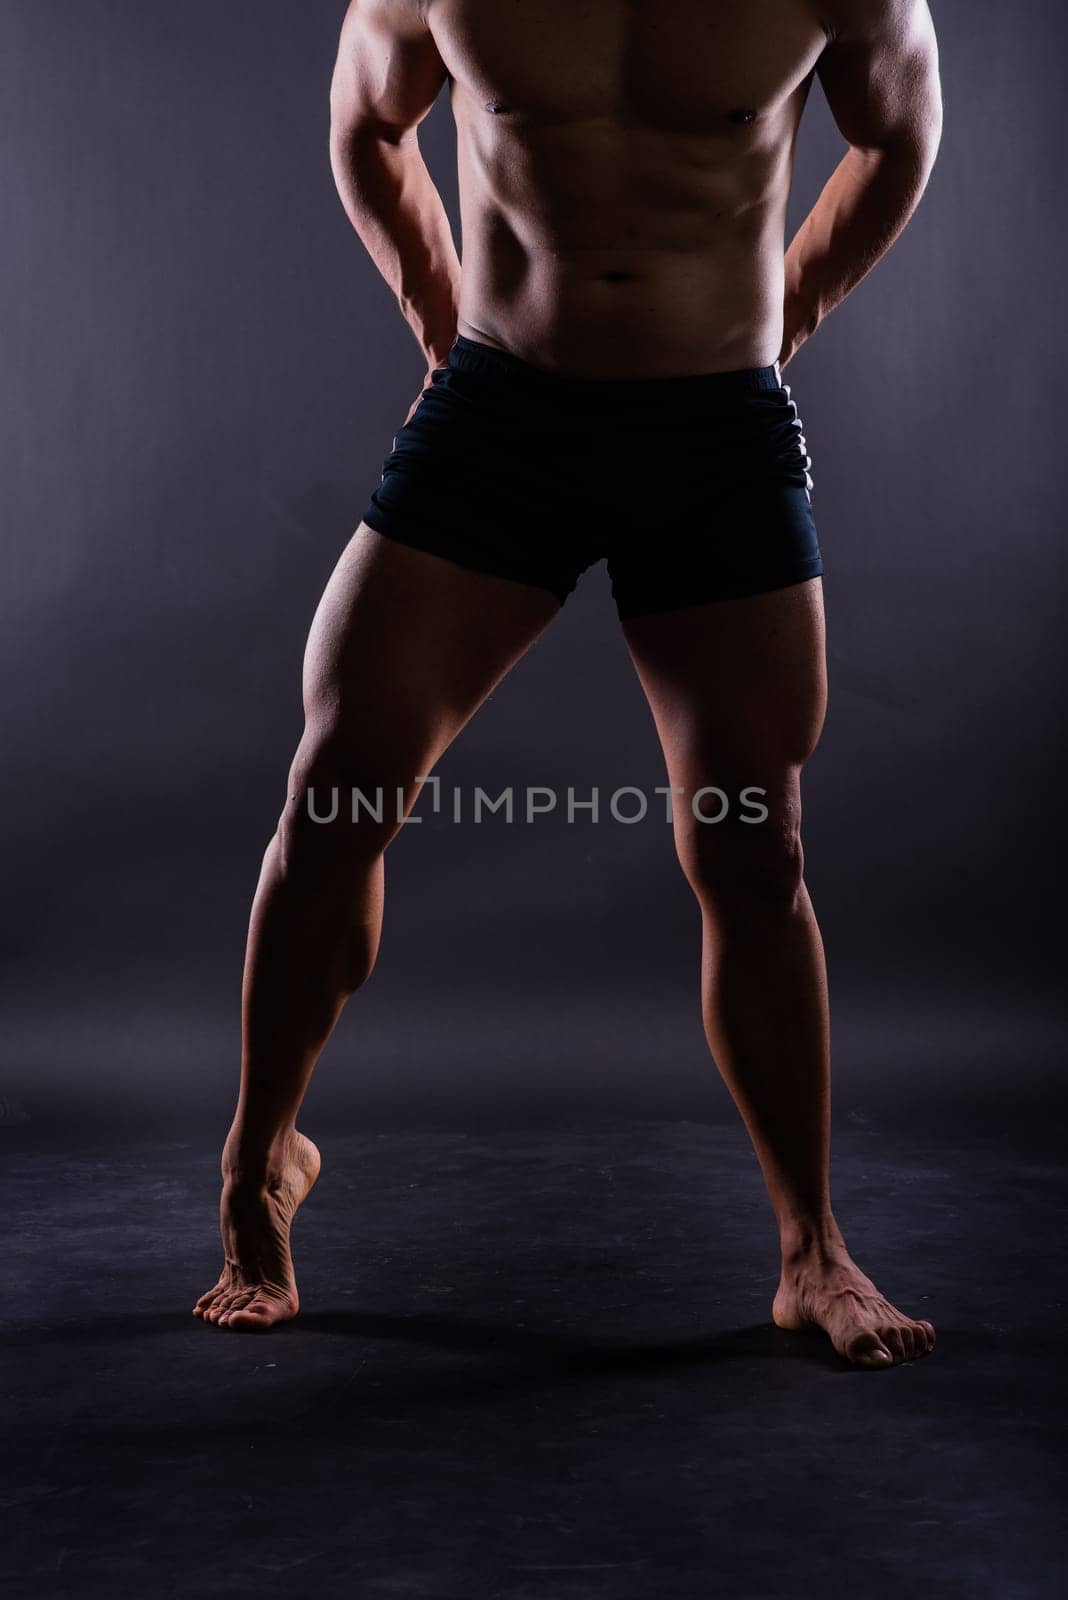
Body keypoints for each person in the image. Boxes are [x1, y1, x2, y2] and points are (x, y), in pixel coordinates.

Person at [194, 0, 942, 1368]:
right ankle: (258, 1174)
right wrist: (436, 316)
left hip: (715, 419)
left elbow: (900, 133)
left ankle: (811, 1253)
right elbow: (367, 118)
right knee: (337, 790)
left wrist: (791, 315)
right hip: (506, 406)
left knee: (754, 846)